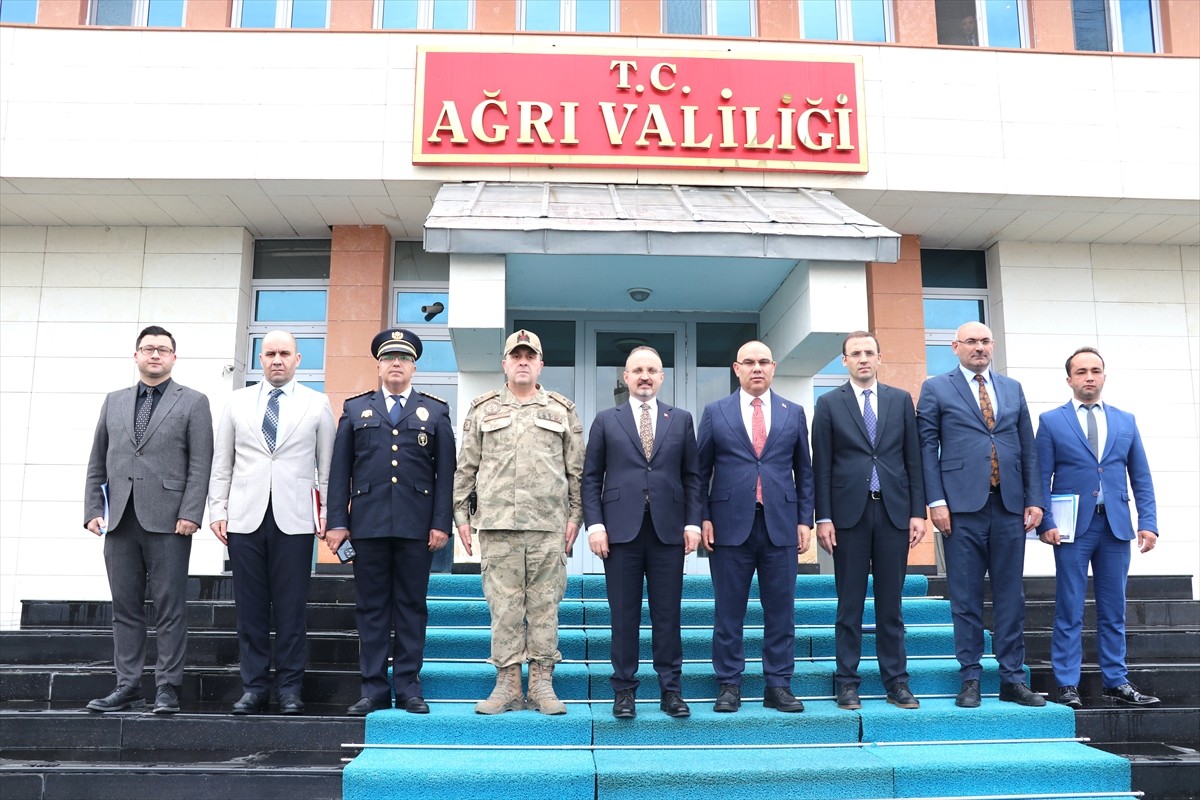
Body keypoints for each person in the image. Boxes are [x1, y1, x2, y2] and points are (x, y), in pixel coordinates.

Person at [453, 329, 585, 716]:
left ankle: (543, 683)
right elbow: (467, 468)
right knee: (504, 609)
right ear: (505, 364)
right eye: (516, 356)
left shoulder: (561, 410)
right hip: (497, 526)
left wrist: (576, 516)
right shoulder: (483, 409)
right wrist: (461, 515)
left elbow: (576, 471)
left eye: (531, 356)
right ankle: (508, 684)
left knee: (545, 607)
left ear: (541, 364)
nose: (523, 361)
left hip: (548, 527)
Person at [83, 325, 213, 714]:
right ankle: (127, 685)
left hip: (170, 521)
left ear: (174, 357)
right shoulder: (114, 401)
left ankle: (168, 688)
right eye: (148, 349)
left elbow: (200, 463)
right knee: (125, 607)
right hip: (120, 519)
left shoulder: (193, 402)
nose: (155, 355)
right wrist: (93, 509)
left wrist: (192, 512)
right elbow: (97, 460)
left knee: (170, 607)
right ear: (136, 355)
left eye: (163, 349)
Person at [326, 328, 456, 716]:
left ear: (414, 366)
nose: (395, 364)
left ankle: (410, 687)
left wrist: (441, 523)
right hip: (367, 526)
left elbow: (444, 474)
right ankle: (373, 689)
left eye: (403, 358)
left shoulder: (435, 411)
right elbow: (339, 472)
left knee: (412, 607)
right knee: (371, 608)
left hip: (417, 528)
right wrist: (337, 522)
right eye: (389, 358)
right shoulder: (355, 410)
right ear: (379, 365)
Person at [916, 321, 1045, 708]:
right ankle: (970, 677)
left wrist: (1034, 499)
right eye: (971, 341)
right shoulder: (936, 388)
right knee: (966, 597)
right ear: (955, 347)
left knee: (1011, 597)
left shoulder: (1012, 388)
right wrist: (936, 502)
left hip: (1009, 506)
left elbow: (1029, 447)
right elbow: (926, 448)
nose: (979, 347)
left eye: (985, 341)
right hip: (960, 510)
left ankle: (1012, 679)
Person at [207, 330, 335, 715]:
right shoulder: (236, 402)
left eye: (284, 353)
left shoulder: (318, 404)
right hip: (244, 517)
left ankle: (291, 688)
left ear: (298, 360)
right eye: (269, 354)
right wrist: (218, 510)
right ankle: (255, 686)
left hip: (295, 519)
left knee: (292, 608)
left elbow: (325, 468)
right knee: (250, 608)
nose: (277, 359)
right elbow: (222, 463)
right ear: (259, 359)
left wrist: (327, 513)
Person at [1036, 347, 1159, 708]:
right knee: (1069, 606)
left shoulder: (1126, 420)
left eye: (1095, 370)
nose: (1089, 377)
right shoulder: (1051, 421)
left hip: (1117, 527)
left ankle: (1116, 681)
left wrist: (1148, 523)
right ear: (1069, 379)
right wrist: (1045, 520)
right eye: (1081, 372)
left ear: (1104, 376)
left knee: (1114, 607)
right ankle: (1067, 683)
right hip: (1073, 528)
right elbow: (1041, 477)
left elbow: (1141, 476)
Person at [583, 346, 702, 719]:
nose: (645, 376)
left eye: (652, 370)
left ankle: (671, 690)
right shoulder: (606, 420)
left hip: (669, 531)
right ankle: (624, 691)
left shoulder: (680, 419)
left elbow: (693, 477)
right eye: (638, 370)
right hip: (620, 533)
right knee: (623, 615)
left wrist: (693, 523)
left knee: (668, 614)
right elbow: (590, 478)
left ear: (662, 377)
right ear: (626, 377)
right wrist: (596, 524)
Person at [697, 340, 814, 713]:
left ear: (774, 367)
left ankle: (778, 685)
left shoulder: (793, 413)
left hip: (781, 524)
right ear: (736, 368)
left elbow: (805, 472)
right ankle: (729, 684)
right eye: (749, 362)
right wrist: (702, 517)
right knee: (728, 610)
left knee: (781, 609)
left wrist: (804, 520)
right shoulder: (716, 412)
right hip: (729, 526)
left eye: (764, 361)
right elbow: (699, 473)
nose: (757, 368)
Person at [812, 331, 926, 711]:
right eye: (854, 353)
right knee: (850, 604)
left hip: (894, 512)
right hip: (848, 516)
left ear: (880, 358)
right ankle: (847, 682)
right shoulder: (828, 403)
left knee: (891, 605)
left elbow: (914, 460)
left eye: (869, 352)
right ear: (843, 361)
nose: (863, 359)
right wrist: (823, 517)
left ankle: (897, 682)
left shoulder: (899, 400)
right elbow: (821, 466)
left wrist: (917, 511)